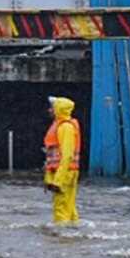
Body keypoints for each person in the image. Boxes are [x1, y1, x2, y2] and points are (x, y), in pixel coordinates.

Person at [43, 96, 81, 224]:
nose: (50, 110)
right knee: (69, 208)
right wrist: (49, 178)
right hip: (65, 173)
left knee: (61, 209)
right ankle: (73, 235)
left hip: (65, 174)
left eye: (52, 108)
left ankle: (61, 239)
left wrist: (58, 181)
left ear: (58, 110)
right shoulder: (62, 126)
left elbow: (67, 155)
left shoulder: (65, 127)